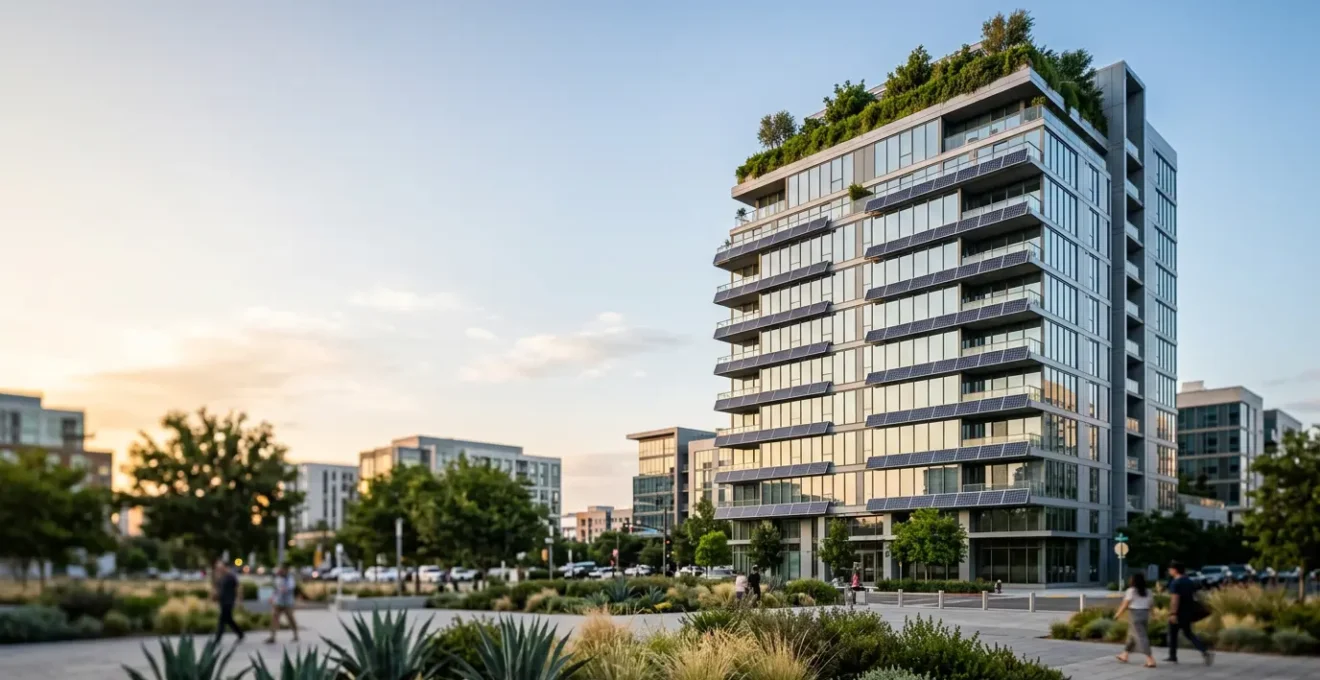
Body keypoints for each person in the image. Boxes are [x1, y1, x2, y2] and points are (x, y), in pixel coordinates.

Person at [1166, 560, 1212, 665]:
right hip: (1188, 611)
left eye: (1170, 569)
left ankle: (1172, 656)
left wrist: (1173, 613)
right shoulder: (1188, 581)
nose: (1169, 571)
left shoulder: (1175, 582)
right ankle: (1203, 650)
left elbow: (1175, 598)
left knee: (1173, 633)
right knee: (1188, 633)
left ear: (1175, 570)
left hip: (1178, 612)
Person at [1114, 573, 1156, 668]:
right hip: (1145, 614)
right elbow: (1151, 604)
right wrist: (1153, 615)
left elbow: (1125, 604)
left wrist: (1117, 614)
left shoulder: (1131, 591)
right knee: (1132, 635)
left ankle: (1150, 659)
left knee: (1141, 637)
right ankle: (1125, 654)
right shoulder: (1148, 591)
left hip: (1135, 615)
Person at [213, 562, 244, 644]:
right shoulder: (221, 577)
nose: (219, 569)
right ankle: (240, 634)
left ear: (225, 567)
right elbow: (217, 589)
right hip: (222, 601)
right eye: (218, 568)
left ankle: (217, 639)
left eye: (220, 568)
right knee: (229, 620)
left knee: (222, 620)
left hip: (229, 601)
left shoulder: (231, 576)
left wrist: (239, 600)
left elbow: (238, 587)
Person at [266, 565, 299, 644]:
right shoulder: (278, 578)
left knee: (290, 618)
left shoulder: (290, 579)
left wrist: (285, 589)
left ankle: (295, 635)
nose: (281, 572)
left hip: (287, 603)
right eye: (280, 570)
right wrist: (272, 597)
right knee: (274, 618)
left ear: (286, 571)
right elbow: (276, 589)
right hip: (278, 602)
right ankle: (272, 636)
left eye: (282, 570)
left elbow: (291, 587)